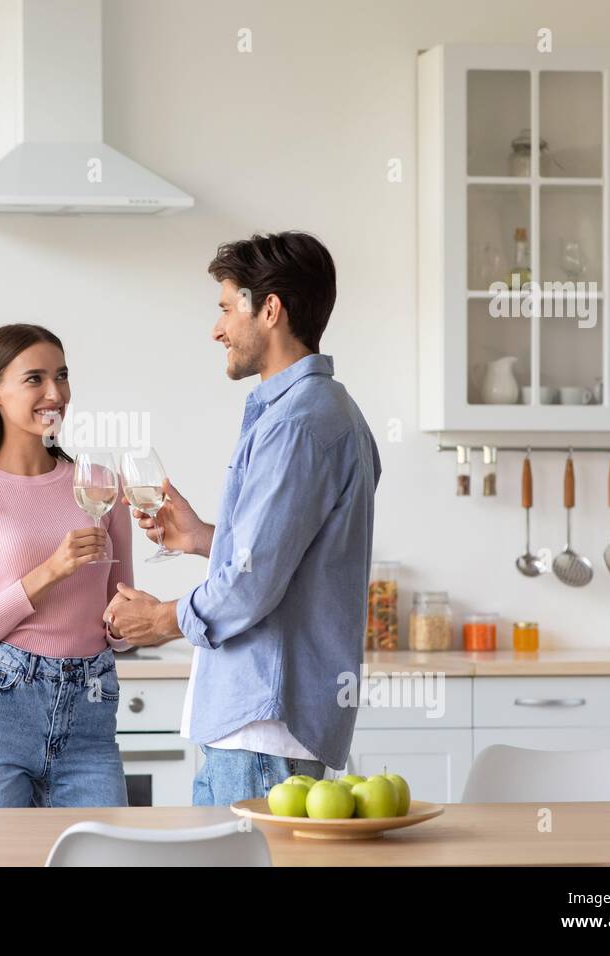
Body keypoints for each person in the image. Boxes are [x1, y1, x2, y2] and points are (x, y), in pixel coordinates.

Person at [104, 231, 381, 806]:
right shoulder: (331, 412)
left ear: (271, 309)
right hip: (267, 722)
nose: (217, 328)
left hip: (262, 721)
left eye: (228, 308)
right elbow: (288, 556)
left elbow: (253, 584)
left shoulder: (297, 425)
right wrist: (206, 537)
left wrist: (159, 620)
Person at [0, 323, 132, 807]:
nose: (55, 393)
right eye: (35, 379)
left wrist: (146, 618)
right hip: (0, 715)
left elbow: (119, 623)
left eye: (61, 376)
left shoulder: (101, 484)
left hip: (90, 707)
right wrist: (50, 571)